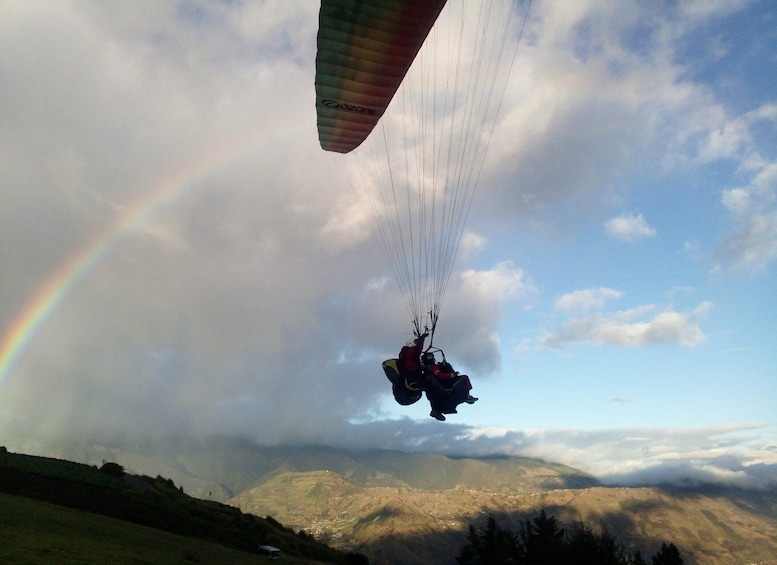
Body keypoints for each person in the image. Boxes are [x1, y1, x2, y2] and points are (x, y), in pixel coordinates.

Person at [422, 352, 477, 421]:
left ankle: (467, 396)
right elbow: (441, 376)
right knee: (465, 377)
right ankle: (467, 395)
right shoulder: (433, 368)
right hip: (446, 383)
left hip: (443, 383)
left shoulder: (429, 369)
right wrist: (453, 375)